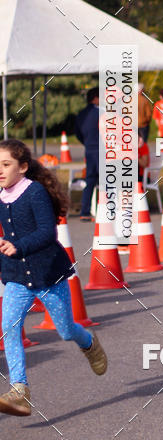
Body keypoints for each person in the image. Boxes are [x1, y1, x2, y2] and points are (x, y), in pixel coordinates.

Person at [0, 139, 107, 416]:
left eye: (6, 164)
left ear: (22, 167)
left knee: (66, 329)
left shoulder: (34, 193)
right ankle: (19, 391)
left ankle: (88, 343)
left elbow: (48, 233)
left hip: (48, 274)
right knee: (10, 329)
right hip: (16, 277)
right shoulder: (1, 195)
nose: (0, 170)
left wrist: (19, 246)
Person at [74, 86, 100, 221]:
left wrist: (86, 141)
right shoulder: (102, 113)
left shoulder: (81, 114)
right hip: (102, 150)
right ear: (95, 98)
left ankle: (85, 211)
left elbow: (77, 132)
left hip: (89, 149)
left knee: (89, 181)